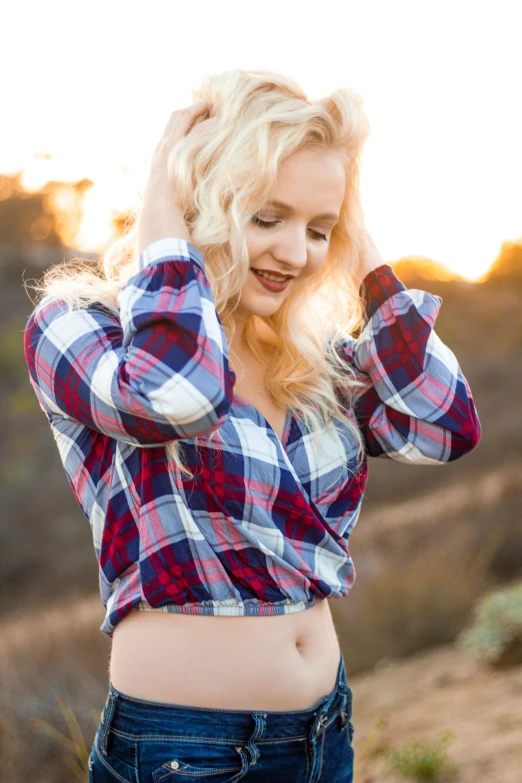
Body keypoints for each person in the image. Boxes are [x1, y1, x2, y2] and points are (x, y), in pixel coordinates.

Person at [23, 69, 482, 783]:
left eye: (317, 228)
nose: (297, 254)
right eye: (268, 218)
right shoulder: (82, 325)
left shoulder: (313, 355)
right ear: (195, 200)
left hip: (323, 731)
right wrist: (162, 221)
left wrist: (356, 241)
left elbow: (444, 424)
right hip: (181, 749)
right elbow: (177, 396)